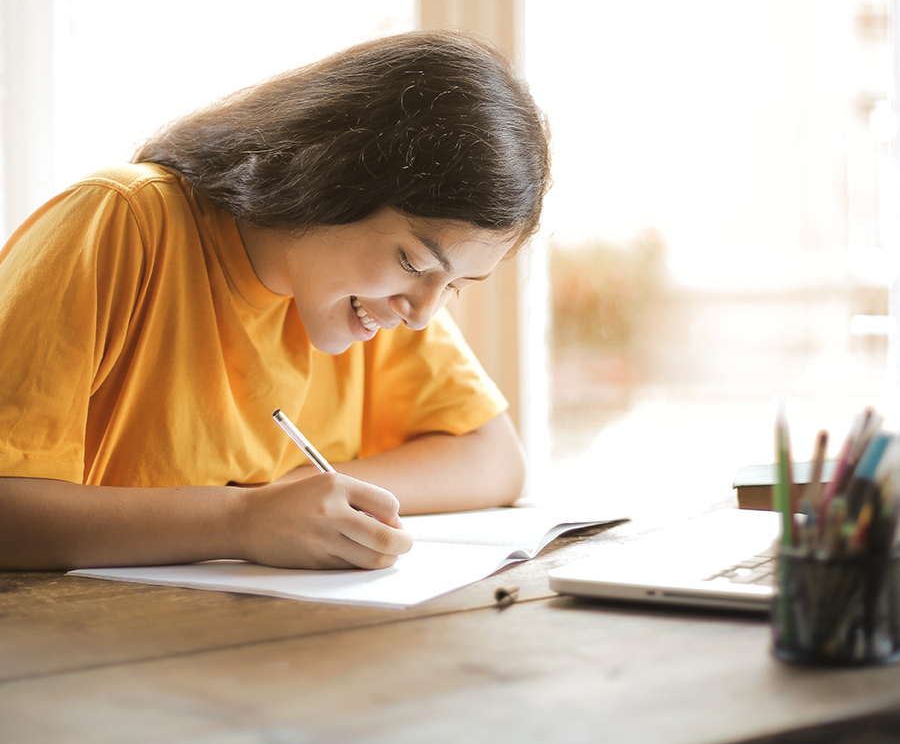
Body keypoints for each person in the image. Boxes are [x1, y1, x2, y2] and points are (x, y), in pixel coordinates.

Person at [0, 30, 551, 573]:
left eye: (453, 285)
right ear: (331, 179)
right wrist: (241, 520)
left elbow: (495, 459)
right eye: (413, 262)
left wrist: (302, 496)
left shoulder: (376, 300)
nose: (423, 313)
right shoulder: (121, 221)